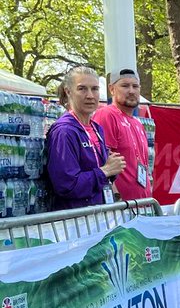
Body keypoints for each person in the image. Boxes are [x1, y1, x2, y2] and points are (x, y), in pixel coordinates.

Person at [46, 66, 125, 210]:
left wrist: (112, 169)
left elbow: (101, 172)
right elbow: (66, 186)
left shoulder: (96, 127)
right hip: (76, 222)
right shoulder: (64, 131)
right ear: (68, 91)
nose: (90, 95)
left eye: (94, 89)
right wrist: (105, 171)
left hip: (99, 215)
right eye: (82, 89)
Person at [92, 68, 151, 202]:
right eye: (125, 86)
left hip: (142, 203)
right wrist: (116, 198)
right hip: (122, 209)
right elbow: (100, 159)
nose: (131, 91)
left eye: (135, 86)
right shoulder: (107, 115)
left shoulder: (137, 123)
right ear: (112, 89)